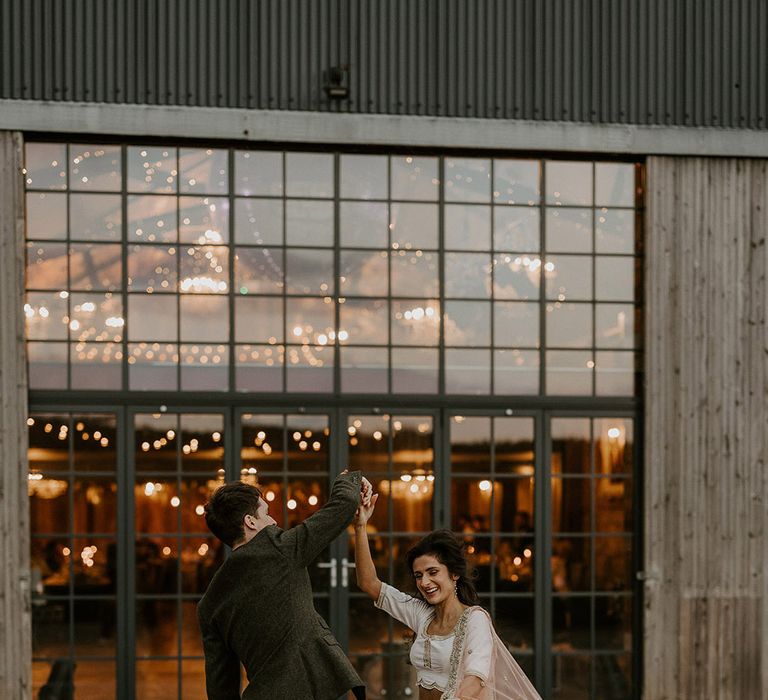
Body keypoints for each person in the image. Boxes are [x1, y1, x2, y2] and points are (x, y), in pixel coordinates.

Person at [197, 469, 370, 699]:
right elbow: (345, 503)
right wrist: (349, 478)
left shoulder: (209, 603)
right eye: (266, 514)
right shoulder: (282, 549)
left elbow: (221, 689)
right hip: (314, 689)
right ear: (250, 522)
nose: (274, 520)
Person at [353, 492, 542, 700]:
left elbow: (475, 681)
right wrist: (361, 526)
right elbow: (368, 582)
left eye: (433, 572)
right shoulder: (421, 615)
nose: (424, 582)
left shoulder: (475, 620)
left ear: (454, 574)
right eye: (419, 575)